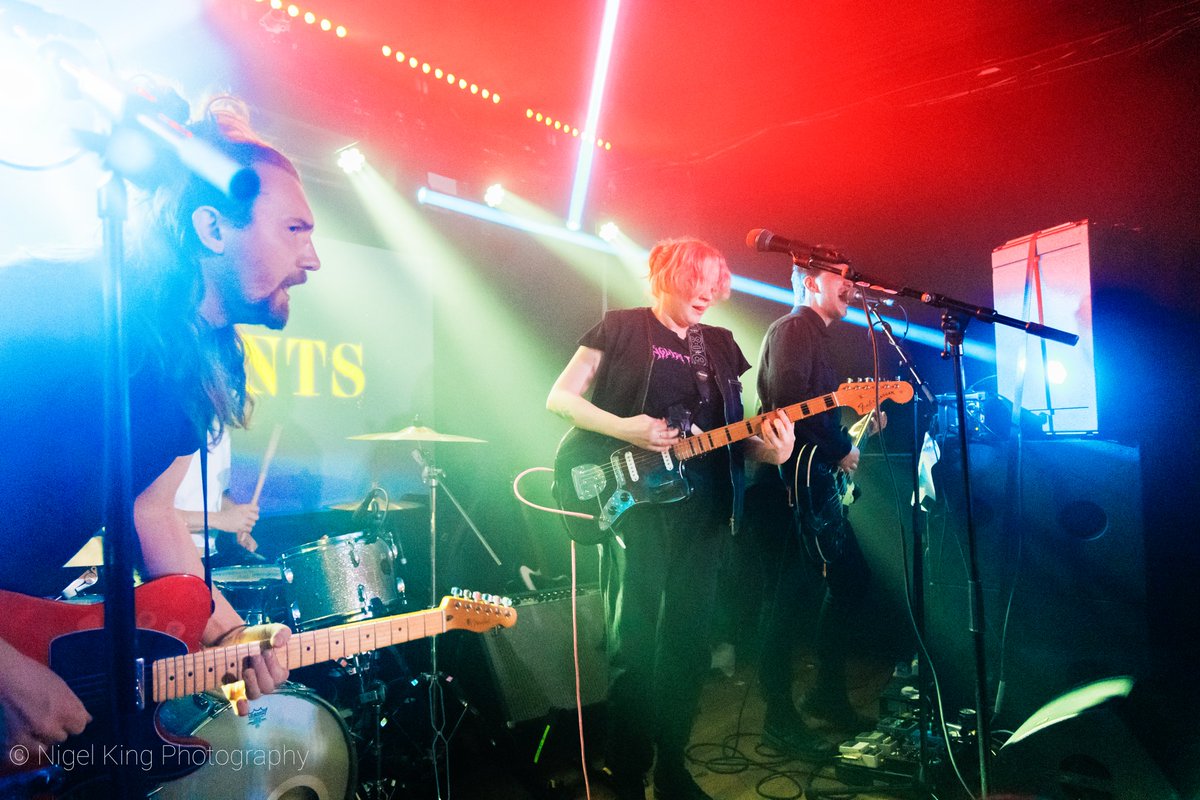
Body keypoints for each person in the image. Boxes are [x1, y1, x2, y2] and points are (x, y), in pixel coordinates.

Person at [0, 96, 319, 764]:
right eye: (294, 229)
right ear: (211, 228)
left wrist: (231, 634)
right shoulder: (45, 303)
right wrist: (7, 671)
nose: (312, 259)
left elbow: (151, 509)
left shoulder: (191, 363)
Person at [546, 238, 795, 800]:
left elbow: (736, 441)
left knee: (689, 643)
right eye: (697, 281)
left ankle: (674, 767)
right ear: (665, 276)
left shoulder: (723, 347)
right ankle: (626, 773)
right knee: (633, 645)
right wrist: (627, 428)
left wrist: (772, 451)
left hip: (705, 516)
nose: (708, 293)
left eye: (715, 283)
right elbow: (560, 398)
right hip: (635, 507)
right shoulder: (620, 327)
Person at [747, 258, 882, 754]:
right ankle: (778, 718)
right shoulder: (793, 328)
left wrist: (847, 430)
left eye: (852, 276)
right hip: (783, 486)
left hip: (809, 485)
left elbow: (814, 411)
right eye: (839, 277)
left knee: (851, 580)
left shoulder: (816, 337)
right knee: (785, 600)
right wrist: (840, 449)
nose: (850, 285)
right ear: (810, 282)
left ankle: (826, 693)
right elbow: (786, 405)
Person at [175, 428, 261, 561]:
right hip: (166, 561)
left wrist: (238, 522)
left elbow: (218, 495)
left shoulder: (221, 430)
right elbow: (151, 513)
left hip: (207, 556)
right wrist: (220, 520)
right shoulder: (171, 427)